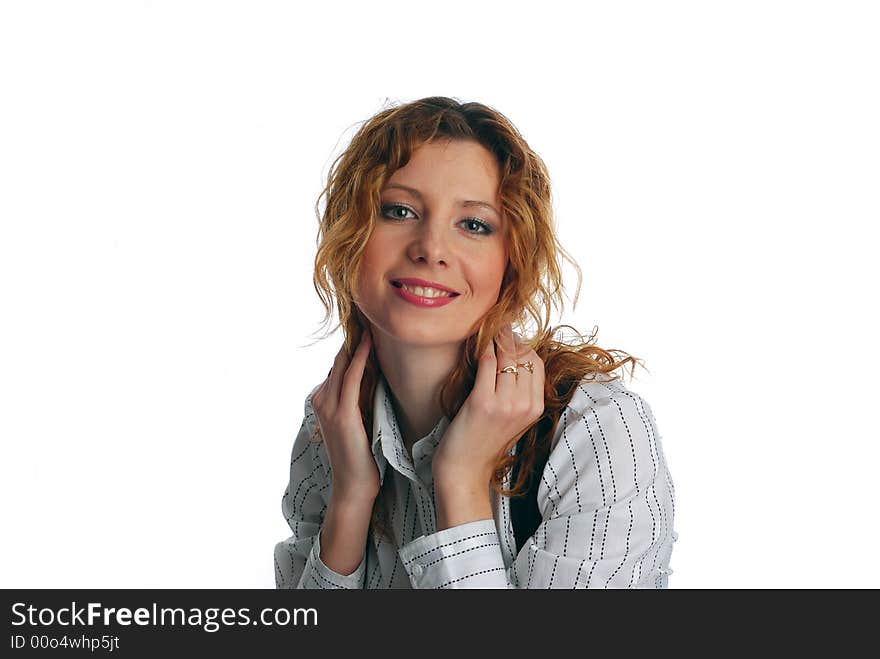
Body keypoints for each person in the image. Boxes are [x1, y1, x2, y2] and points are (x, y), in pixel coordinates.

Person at [274, 96, 678, 589]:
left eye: (474, 224)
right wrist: (350, 500)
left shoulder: (595, 432)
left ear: (513, 262)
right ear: (348, 235)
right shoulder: (330, 433)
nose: (431, 250)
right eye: (399, 210)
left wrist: (460, 483)